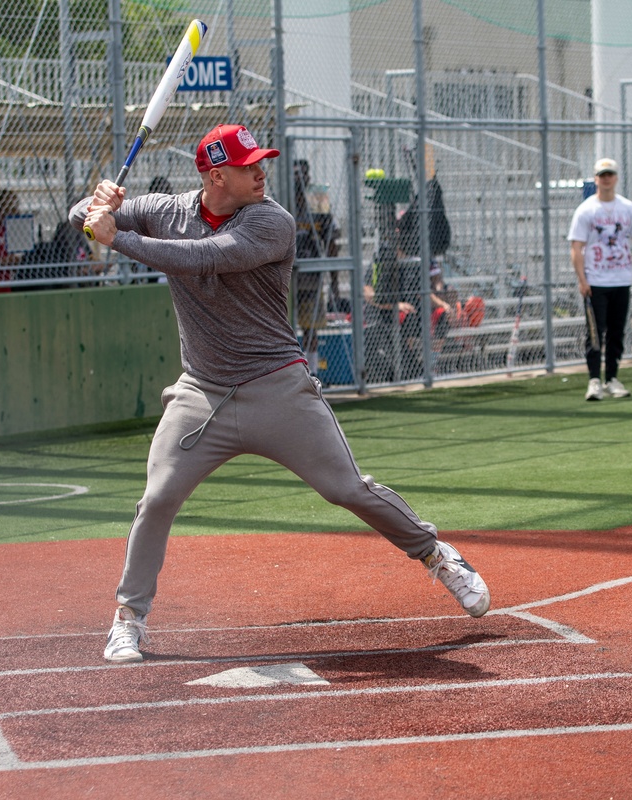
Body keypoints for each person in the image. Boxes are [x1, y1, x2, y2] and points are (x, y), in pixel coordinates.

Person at [70, 123, 491, 663]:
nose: (261, 171)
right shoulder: (167, 209)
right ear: (216, 176)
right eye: (249, 166)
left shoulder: (271, 220)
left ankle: (437, 556)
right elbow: (81, 214)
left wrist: (116, 237)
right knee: (157, 498)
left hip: (277, 387)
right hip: (203, 393)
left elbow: (202, 258)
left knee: (346, 488)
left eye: (259, 162)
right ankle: (129, 616)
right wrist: (95, 202)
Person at [567, 158, 632, 401]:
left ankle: (612, 378)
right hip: (596, 280)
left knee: (617, 332)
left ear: (616, 178)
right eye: (602, 175)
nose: (606, 179)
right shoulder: (586, 210)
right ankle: (594, 380)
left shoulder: (627, 208)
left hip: (621, 278)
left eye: (610, 175)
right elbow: (577, 247)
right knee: (595, 332)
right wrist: (582, 279)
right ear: (596, 178)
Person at [292, 159, 339, 375]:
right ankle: (289, 373)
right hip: (288, 276)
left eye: (302, 174)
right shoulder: (281, 200)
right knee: (285, 327)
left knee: (311, 327)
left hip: (311, 273)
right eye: (294, 174)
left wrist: (335, 283)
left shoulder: (317, 203)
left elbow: (330, 243)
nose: (298, 179)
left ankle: (312, 374)